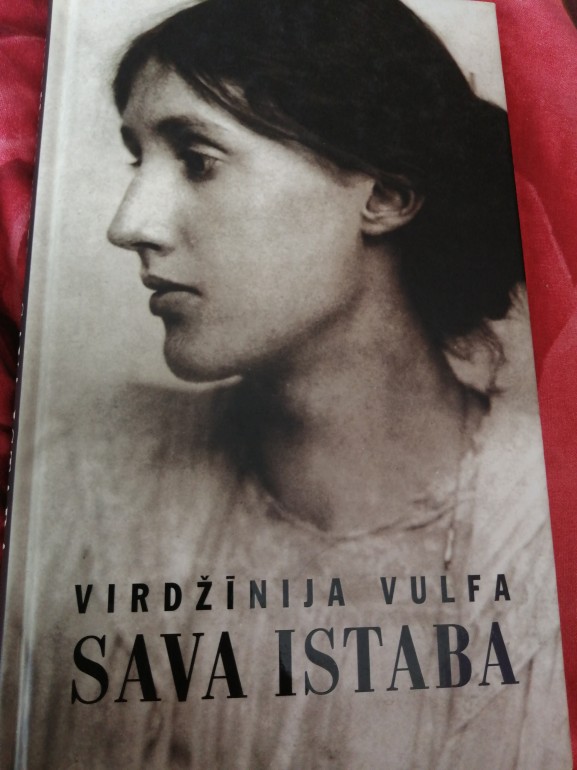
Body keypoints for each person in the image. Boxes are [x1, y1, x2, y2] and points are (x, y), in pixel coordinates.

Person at [17, 0, 570, 767]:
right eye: (137, 160)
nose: (129, 223)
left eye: (198, 160)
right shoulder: (84, 485)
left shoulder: (549, 531)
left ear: (383, 197)